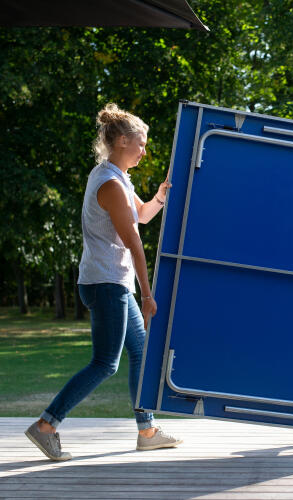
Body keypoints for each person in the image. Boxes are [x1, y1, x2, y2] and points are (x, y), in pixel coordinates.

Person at [25, 103, 182, 461]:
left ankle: (147, 430)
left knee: (140, 351)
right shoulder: (109, 183)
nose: (144, 151)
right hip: (107, 283)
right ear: (122, 141)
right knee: (105, 363)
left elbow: (141, 215)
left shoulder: (116, 177)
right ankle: (46, 425)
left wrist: (160, 194)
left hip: (113, 281)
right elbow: (134, 241)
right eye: (140, 144)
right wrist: (148, 293)